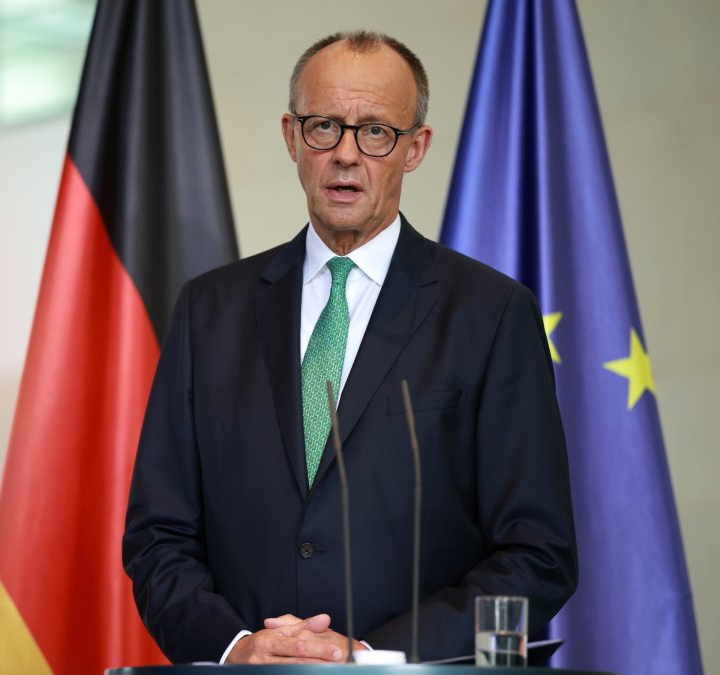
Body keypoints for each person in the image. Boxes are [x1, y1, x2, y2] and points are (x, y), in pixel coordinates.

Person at [122, 30, 577, 665]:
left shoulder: (490, 313)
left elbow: (538, 553)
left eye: (375, 133)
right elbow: (158, 535)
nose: (345, 154)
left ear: (415, 147)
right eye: (324, 127)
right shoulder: (210, 310)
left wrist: (371, 657)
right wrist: (236, 648)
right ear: (290, 137)